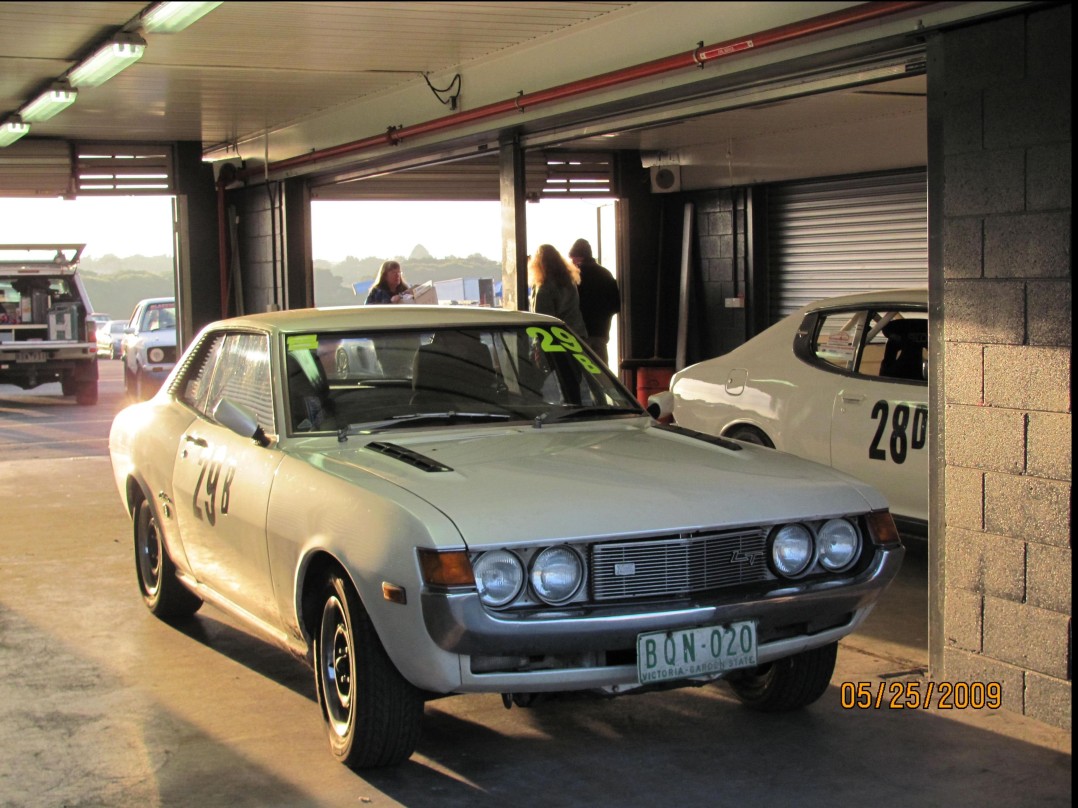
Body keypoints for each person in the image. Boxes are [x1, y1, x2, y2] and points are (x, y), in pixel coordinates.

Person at [568, 238, 620, 364]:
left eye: (573, 258)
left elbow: (570, 303)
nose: (572, 262)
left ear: (578, 257)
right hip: (601, 330)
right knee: (601, 372)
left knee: (582, 372)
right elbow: (616, 305)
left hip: (581, 331)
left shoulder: (575, 276)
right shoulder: (605, 274)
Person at [527, 244, 588, 339]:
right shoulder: (570, 282)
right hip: (576, 334)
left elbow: (543, 321)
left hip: (556, 339)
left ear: (537, 264)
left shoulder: (544, 288)